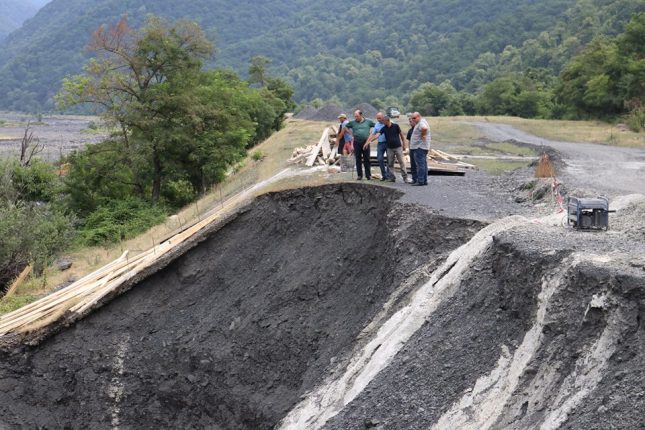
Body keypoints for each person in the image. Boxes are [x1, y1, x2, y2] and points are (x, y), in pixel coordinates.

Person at [342, 110, 376, 180]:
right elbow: (345, 127)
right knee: (358, 159)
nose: (356, 117)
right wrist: (351, 134)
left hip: (365, 142)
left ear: (361, 115)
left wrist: (372, 133)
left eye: (357, 116)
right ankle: (359, 175)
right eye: (355, 116)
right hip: (356, 142)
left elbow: (376, 126)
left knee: (367, 159)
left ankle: (368, 175)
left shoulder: (368, 121)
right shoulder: (353, 122)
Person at [377, 115, 409, 183]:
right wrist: (371, 140)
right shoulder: (384, 128)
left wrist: (404, 145)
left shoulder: (395, 126)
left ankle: (405, 178)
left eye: (383, 121)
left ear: (387, 121)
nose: (382, 122)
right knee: (390, 164)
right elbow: (378, 134)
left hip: (398, 147)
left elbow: (401, 135)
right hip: (389, 148)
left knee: (401, 162)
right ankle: (392, 178)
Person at [409, 112, 430, 186]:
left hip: (419, 147)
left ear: (419, 116)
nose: (413, 119)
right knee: (423, 164)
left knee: (420, 165)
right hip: (421, 147)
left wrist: (423, 135)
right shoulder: (421, 122)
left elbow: (424, 128)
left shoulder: (421, 123)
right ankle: (424, 180)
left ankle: (420, 180)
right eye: (412, 118)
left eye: (414, 118)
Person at [365, 112, 388, 180]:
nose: (378, 119)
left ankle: (389, 175)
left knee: (390, 160)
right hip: (380, 143)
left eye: (380, 118)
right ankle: (384, 175)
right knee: (380, 158)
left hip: (388, 143)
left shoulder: (387, 122)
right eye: (377, 118)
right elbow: (372, 134)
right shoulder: (377, 125)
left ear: (383, 117)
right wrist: (367, 142)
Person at [406, 114, 417, 184]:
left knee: (417, 164)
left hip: (418, 149)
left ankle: (419, 179)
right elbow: (408, 141)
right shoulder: (410, 131)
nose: (410, 123)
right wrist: (408, 149)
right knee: (412, 165)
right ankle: (414, 179)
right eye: (409, 121)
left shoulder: (417, 129)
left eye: (411, 121)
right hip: (412, 149)